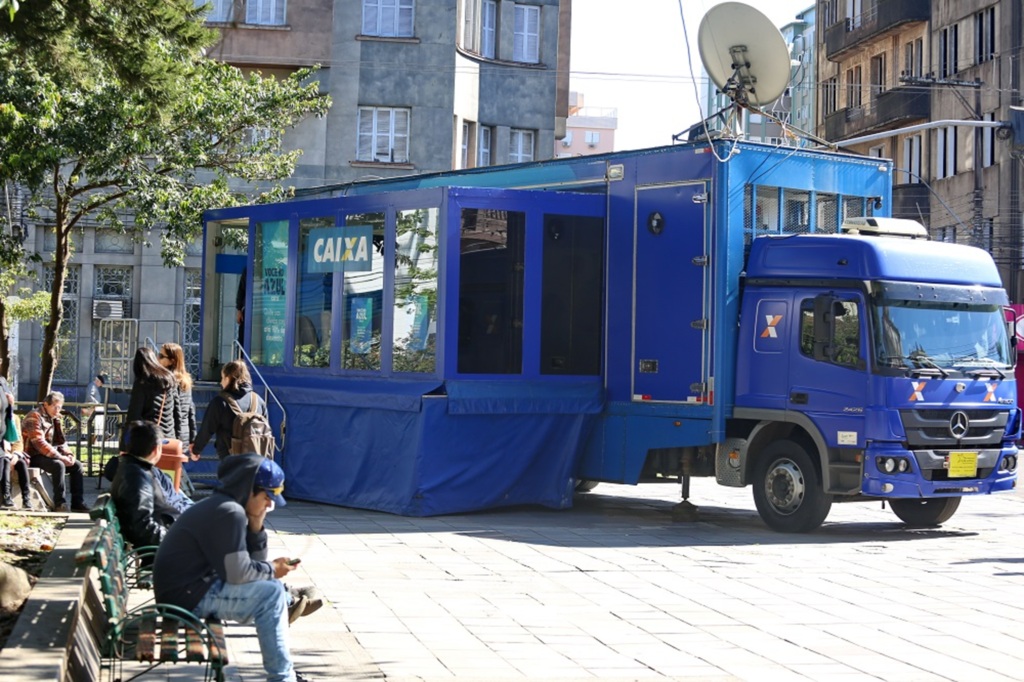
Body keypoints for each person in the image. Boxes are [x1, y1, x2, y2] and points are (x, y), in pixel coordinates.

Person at [153, 454, 306, 681]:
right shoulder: (228, 512)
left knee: (271, 587)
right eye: (267, 497)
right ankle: (283, 678)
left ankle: (284, 671)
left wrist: (257, 529)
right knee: (271, 593)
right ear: (249, 489)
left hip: (187, 591)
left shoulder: (225, 507)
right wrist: (272, 569)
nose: (269, 505)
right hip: (184, 598)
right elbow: (238, 574)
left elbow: (248, 570)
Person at [22, 391, 88, 512]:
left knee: (77, 465)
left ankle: (77, 503)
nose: (58, 410)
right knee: (58, 465)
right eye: (55, 407)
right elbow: (39, 443)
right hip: (33, 455)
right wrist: (59, 457)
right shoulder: (34, 416)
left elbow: (61, 441)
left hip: (50, 454)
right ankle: (60, 503)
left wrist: (69, 454)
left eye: (60, 407)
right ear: (46, 404)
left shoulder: (55, 418)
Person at [192, 360, 267, 460]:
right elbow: (266, 431)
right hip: (256, 460)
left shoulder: (221, 402)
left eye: (222, 378)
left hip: (230, 460)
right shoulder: (259, 401)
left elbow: (207, 429)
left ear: (228, 379)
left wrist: (196, 450)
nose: (221, 382)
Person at [121, 347, 182, 451]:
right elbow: (177, 412)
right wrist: (178, 438)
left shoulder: (142, 383)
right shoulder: (169, 379)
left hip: (150, 441)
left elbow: (133, 415)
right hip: (169, 440)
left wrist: (123, 445)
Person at [158, 343, 197, 458]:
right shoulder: (186, 381)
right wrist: (192, 438)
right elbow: (191, 411)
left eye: (161, 356)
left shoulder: (166, 381)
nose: (157, 359)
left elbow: (179, 411)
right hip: (183, 435)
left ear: (172, 361)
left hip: (169, 435)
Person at [84, 373, 108, 445]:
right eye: (100, 384)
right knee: (94, 423)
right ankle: (103, 434)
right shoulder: (92, 386)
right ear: (98, 381)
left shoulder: (93, 386)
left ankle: (101, 435)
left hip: (94, 407)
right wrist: (97, 403)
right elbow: (89, 396)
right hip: (92, 407)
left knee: (96, 423)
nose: (100, 386)